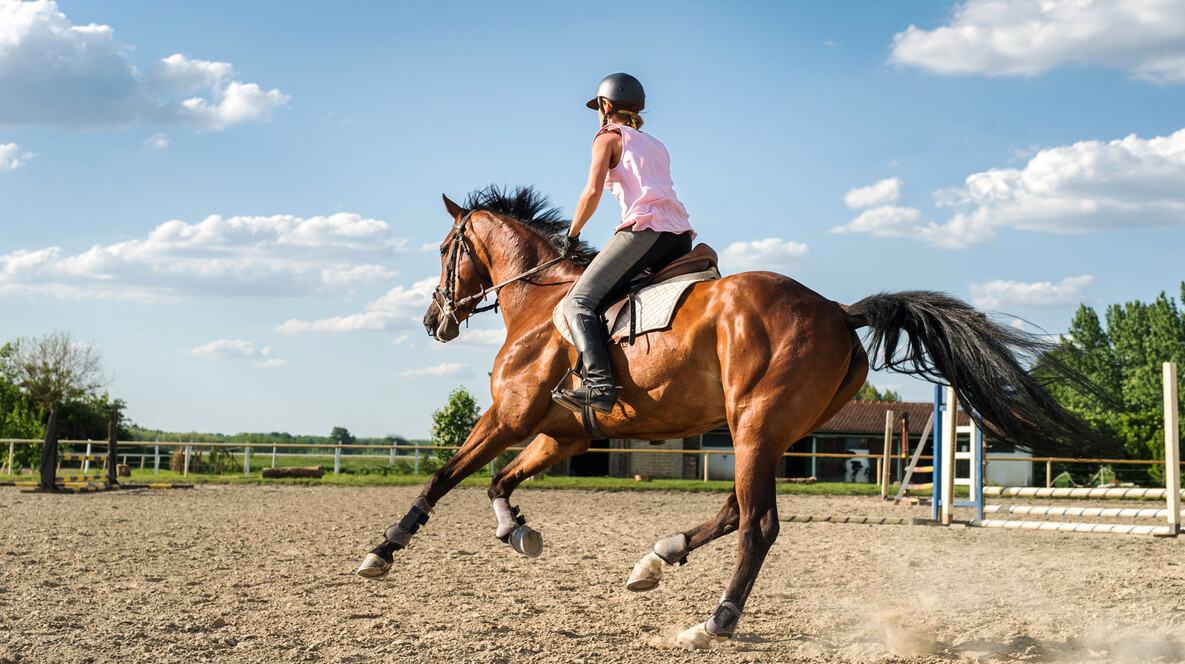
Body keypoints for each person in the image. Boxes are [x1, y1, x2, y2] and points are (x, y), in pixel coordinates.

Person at [553, 73, 695, 415]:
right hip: (680, 237)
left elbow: (592, 192)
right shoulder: (656, 144)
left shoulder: (607, 136)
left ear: (605, 106)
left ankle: (600, 385)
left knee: (578, 303)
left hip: (645, 230)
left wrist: (571, 235)